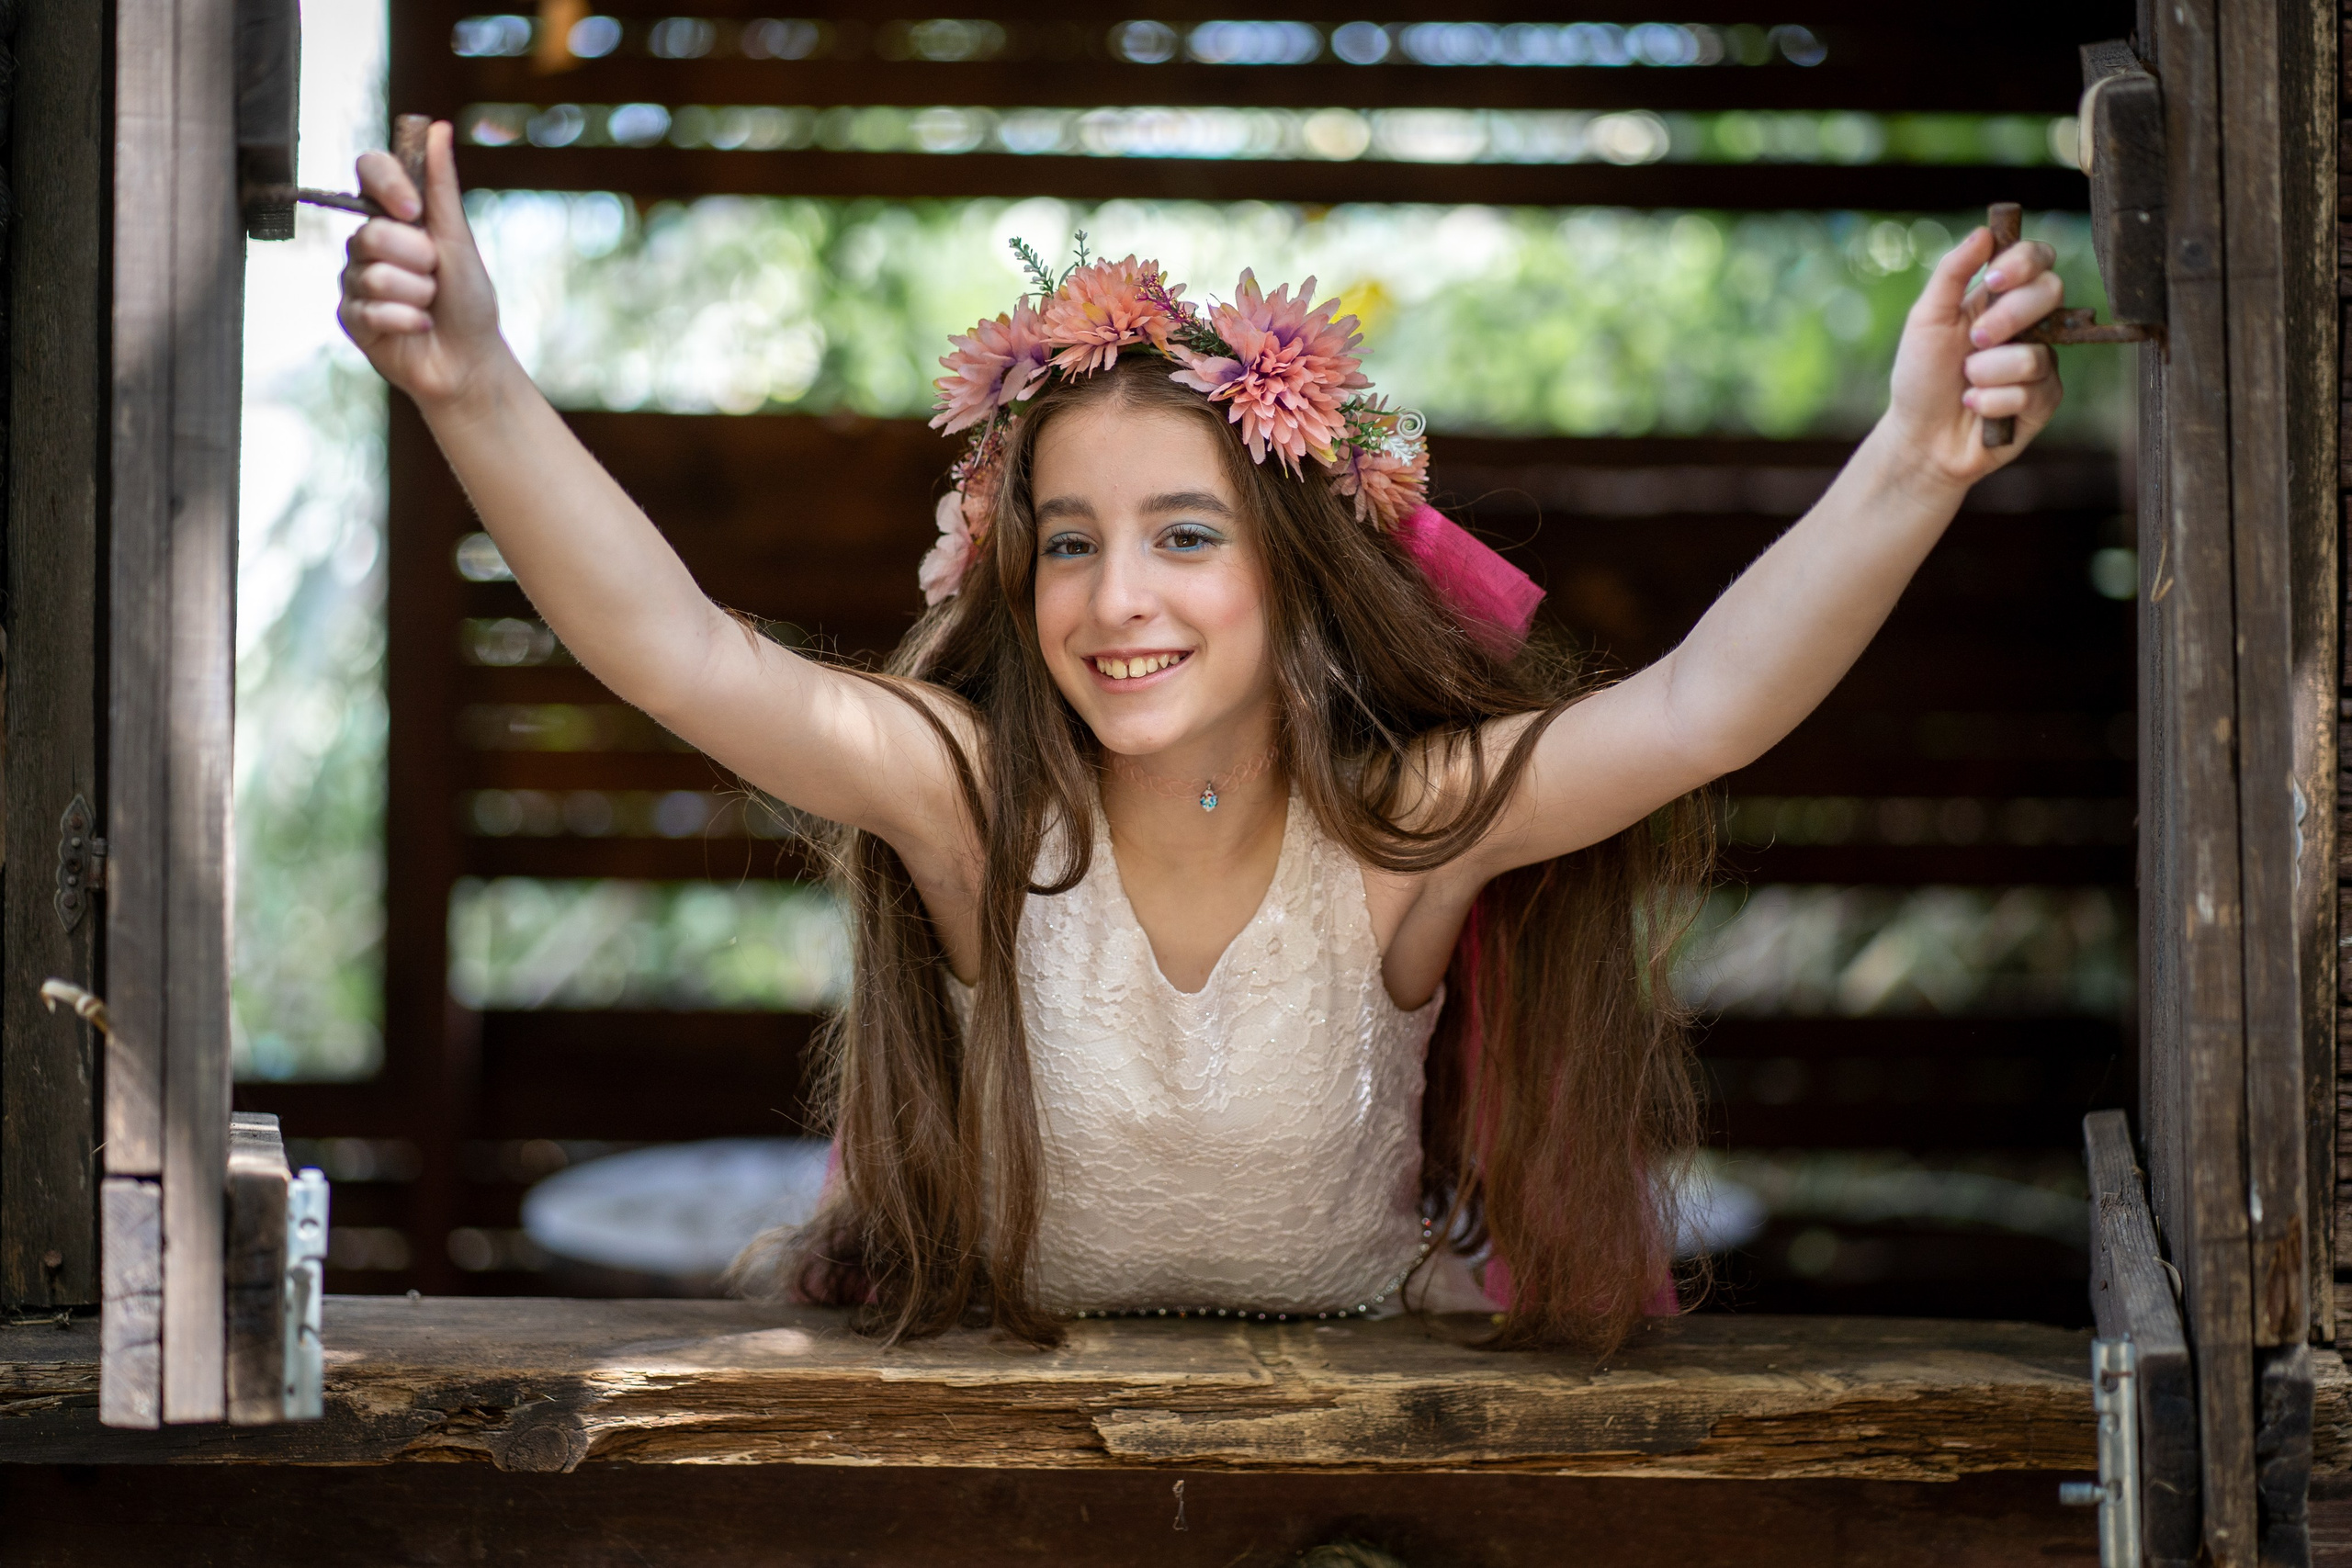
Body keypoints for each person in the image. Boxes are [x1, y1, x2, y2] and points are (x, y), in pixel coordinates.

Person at [338, 124, 2065, 1352]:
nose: (1116, 598)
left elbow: (1705, 707)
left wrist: (1916, 458)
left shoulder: (1408, 836)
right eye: (1067, 542)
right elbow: (683, 657)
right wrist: (473, 380)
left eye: (1185, 534)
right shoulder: (970, 808)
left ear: (1294, 582)